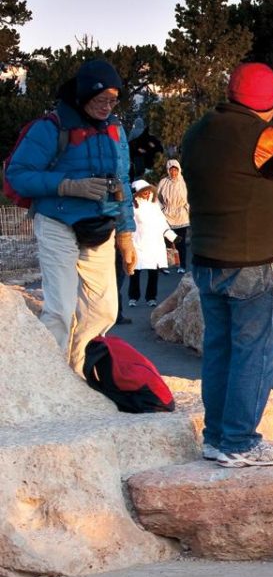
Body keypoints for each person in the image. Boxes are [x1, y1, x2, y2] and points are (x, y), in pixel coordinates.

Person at [181, 62, 273, 468]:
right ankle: (240, 442)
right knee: (253, 353)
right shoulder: (262, 138)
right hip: (251, 262)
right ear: (270, 101)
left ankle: (216, 437)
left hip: (206, 258)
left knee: (219, 351)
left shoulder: (198, 131)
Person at [3, 58, 136, 369]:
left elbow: (123, 182)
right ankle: (50, 377)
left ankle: (75, 369)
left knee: (103, 310)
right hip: (56, 222)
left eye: (113, 100)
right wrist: (68, 186)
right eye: (101, 99)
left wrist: (126, 233)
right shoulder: (51, 128)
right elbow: (17, 175)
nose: (107, 107)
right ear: (83, 96)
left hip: (99, 224)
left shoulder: (115, 130)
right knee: (61, 310)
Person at [126, 180, 177, 307]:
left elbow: (162, 223)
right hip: (138, 243)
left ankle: (151, 297)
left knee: (153, 272)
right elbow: (128, 225)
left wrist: (172, 237)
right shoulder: (132, 207)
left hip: (154, 244)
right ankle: (133, 296)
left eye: (148, 190)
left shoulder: (154, 205)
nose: (147, 193)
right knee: (135, 271)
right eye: (144, 191)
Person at [157, 157, 190, 272]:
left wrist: (187, 209)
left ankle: (182, 265)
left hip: (181, 216)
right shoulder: (163, 182)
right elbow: (158, 198)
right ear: (168, 170)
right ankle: (167, 264)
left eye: (175, 170)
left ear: (179, 170)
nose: (173, 172)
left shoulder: (184, 182)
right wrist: (162, 209)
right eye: (171, 170)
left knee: (180, 242)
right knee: (167, 241)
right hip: (167, 216)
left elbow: (189, 198)